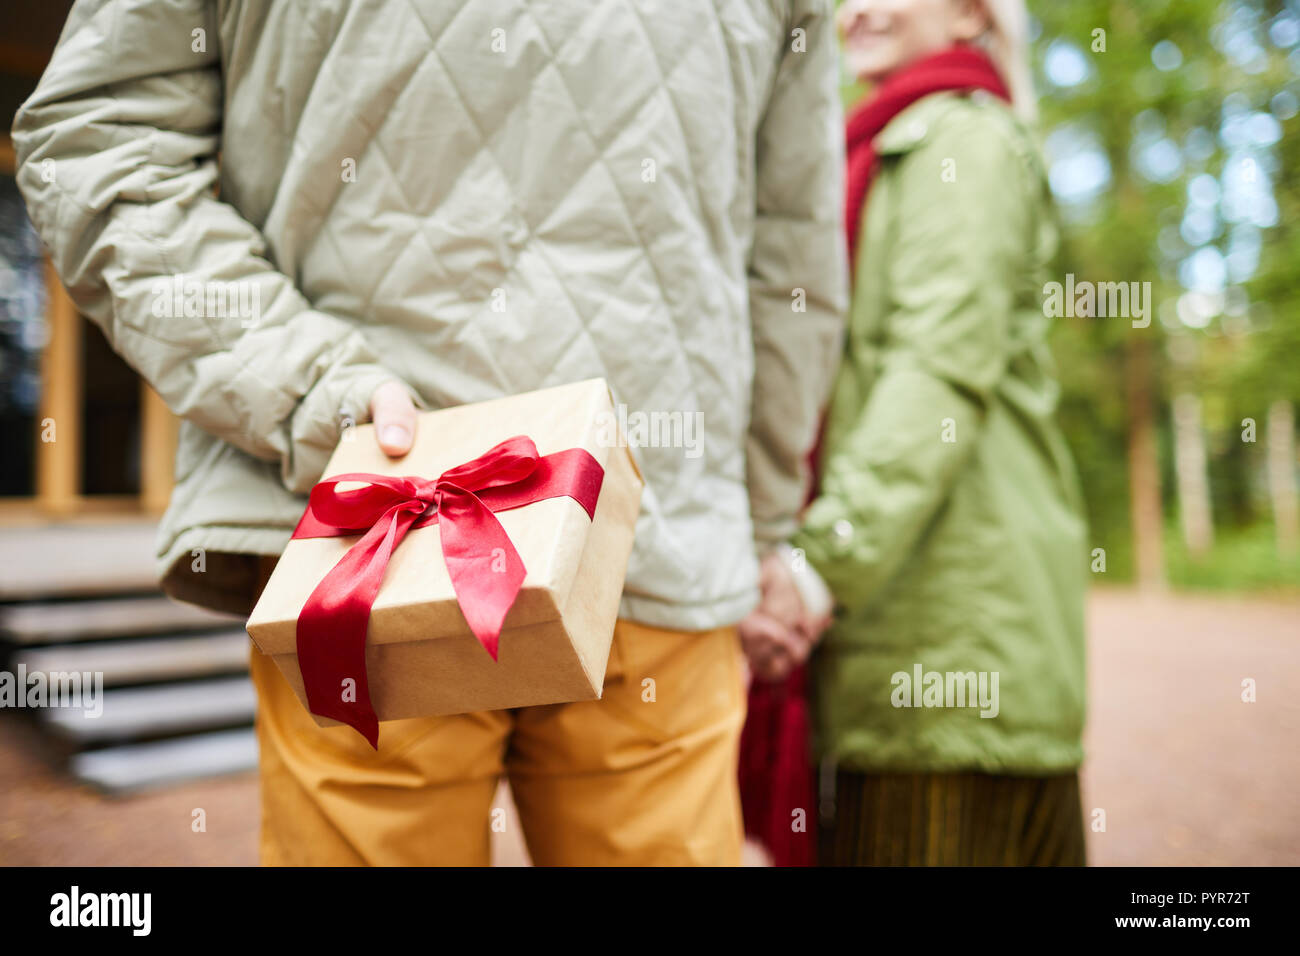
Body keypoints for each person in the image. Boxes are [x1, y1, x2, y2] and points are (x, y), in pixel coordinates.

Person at [14, 0, 846, 866]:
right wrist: (760, 520)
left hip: (369, 527)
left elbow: (97, 140)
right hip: (635, 524)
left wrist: (312, 389)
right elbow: (797, 260)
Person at [743, 0, 1089, 866]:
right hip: (925, 645)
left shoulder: (957, 143)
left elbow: (937, 370)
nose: (857, 9)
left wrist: (817, 565)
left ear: (973, 14)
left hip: (951, 646)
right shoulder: (881, 144)